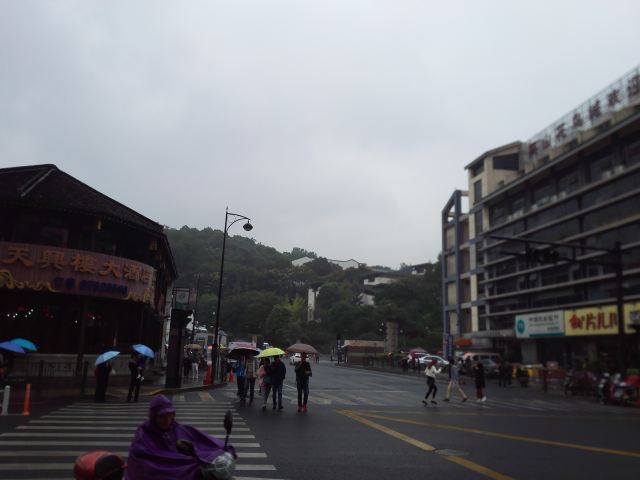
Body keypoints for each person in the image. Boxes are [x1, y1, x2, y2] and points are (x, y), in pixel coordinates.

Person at [126, 394, 237, 480]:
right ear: (154, 417)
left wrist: (223, 449)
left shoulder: (178, 429)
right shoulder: (143, 436)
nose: (167, 421)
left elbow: (202, 440)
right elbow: (150, 465)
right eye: (162, 417)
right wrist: (187, 466)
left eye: (169, 415)